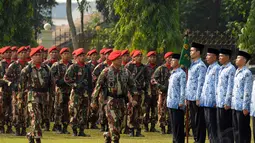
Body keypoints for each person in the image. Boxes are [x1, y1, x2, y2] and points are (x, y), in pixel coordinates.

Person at [91, 50, 138, 143]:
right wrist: (94, 100)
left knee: (119, 123)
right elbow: (98, 86)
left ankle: (108, 135)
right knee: (113, 121)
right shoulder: (106, 71)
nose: (120, 60)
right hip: (110, 100)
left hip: (122, 100)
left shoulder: (126, 72)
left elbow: (132, 85)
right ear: (113, 60)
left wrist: (135, 98)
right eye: (118, 59)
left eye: (120, 58)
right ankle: (115, 140)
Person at [20, 46, 55, 143]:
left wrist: (52, 96)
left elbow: (52, 84)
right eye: (36, 55)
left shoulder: (47, 68)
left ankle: (30, 134)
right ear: (31, 57)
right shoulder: (27, 69)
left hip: (44, 96)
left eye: (40, 55)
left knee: (43, 118)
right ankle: (37, 138)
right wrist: (21, 99)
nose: (39, 57)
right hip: (32, 95)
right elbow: (21, 86)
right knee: (35, 116)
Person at [64, 48, 92, 137]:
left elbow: (90, 80)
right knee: (74, 111)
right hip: (76, 93)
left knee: (84, 112)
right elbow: (66, 78)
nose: (82, 57)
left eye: (83, 56)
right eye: (80, 56)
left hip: (85, 93)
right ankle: (74, 130)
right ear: (76, 57)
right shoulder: (73, 67)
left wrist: (90, 90)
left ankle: (82, 130)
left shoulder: (87, 67)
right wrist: (75, 84)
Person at [4, 46, 29, 136]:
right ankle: (17, 128)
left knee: (26, 111)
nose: (23, 55)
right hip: (17, 92)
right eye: (21, 53)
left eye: (25, 53)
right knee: (16, 110)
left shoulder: (29, 65)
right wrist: (12, 84)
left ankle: (24, 128)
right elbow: (5, 78)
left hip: (26, 92)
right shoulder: (13, 65)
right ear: (18, 54)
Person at [186, 42, 207, 143]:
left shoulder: (201, 66)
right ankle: (195, 139)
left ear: (198, 52)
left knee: (199, 120)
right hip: (190, 96)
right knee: (193, 120)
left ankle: (199, 140)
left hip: (196, 97)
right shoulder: (191, 65)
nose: (190, 52)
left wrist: (198, 97)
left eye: (192, 50)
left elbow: (201, 82)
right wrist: (186, 95)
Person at [125, 50, 149, 137]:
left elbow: (147, 80)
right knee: (131, 111)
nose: (139, 57)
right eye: (137, 56)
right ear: (133, 57)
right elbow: (125, 80)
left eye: (140, 56)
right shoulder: (129, 66)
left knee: (140, 111)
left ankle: (138, 130)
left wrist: (147, 92)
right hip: (131, 92)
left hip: (141, 92)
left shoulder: (144, 67)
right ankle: (131, 130)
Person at [200, 48, 220, 143]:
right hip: (206, 101)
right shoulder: (209, 68)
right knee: (209, 125)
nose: (206, 57)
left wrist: (216, 100)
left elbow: (217, 85)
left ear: (215, 57)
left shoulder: (217, 68)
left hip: (212, 102)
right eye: (206, 55)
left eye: (209, 55)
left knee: (213, 126)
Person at [232, 50, 252, 143]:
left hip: (242, 107)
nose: (236, 59)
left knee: (243, 131)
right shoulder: (237, 71)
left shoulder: (247, 73)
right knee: (236, 130)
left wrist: (245, 106)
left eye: (238, 58)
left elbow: (247, 91)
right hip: (235, 105)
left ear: (244, 60)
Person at [165, 53, 186, 143]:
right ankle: (175, 140)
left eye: (173, 60)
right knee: (173, 125)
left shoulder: (181, 73)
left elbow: (183, 88)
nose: (171, 62)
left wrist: (181, 101)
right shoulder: (172, 73)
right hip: (171, 102)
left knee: (178, 125)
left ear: (178, 61)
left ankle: (179, 141)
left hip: (177, 103)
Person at [216, 48, 235, 143]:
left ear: (227, 57)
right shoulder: (221, 69)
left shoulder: (231, 69)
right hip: (219, 102)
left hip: (225, 104)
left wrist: (227, 102)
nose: (219, 58)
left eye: (221, 56)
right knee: (220, 127)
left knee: (227, 127)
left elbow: (230, 86)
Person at [51, 48, 72, 134]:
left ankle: (65, 127)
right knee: (58, 109)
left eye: (68, 53)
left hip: (69, 90)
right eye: (65, 54)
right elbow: (52, 77)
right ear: (61, 55)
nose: (66, 55)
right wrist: (59, 81)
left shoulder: (72, 65)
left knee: (67, 110)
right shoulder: (56, 65)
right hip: (60, 90)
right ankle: (57, 126)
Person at [151, 52, 173, 134]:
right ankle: (162, 128)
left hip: (172, 93)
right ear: (166, 58)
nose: (170, 59)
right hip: (162, 93)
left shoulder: (175, 68)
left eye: (172, 57)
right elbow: (153, 80)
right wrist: (160, 87)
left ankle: (170, 128)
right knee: (162, 110)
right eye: (169, 57)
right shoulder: (161, 68)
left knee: (171, 110)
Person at [92, 48, 113, 132]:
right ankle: (102, 125)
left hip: (111, 91)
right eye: (107, 54)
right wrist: (101, 82)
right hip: (103, 91)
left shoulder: (115, 66)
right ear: (105, 55)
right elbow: (94, 75)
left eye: (110, 54)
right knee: (102, 109)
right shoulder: (101, 66)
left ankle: (109, 125)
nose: (109, 56)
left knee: (110, 108)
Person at [143, 51, 158, 132]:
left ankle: (153, 126)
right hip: (147, 92)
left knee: (154, 110)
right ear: (148, 58)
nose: (152, 59)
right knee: (146, 109)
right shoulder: (144, 68)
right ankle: (145, 126)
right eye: (151, 57)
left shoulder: (158, 68)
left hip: (155, 92)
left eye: (154, 57)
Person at [0, 46, 14, 134]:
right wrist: (6, 82)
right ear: (3, 54)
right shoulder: (1, 64)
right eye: (7, 52)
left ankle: (9, 127)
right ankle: (1, 126)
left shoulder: (14, 64)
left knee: (11, 109)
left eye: (10, 52)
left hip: (12, 90)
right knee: (2, 109)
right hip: (3, 89)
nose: (9, 54)